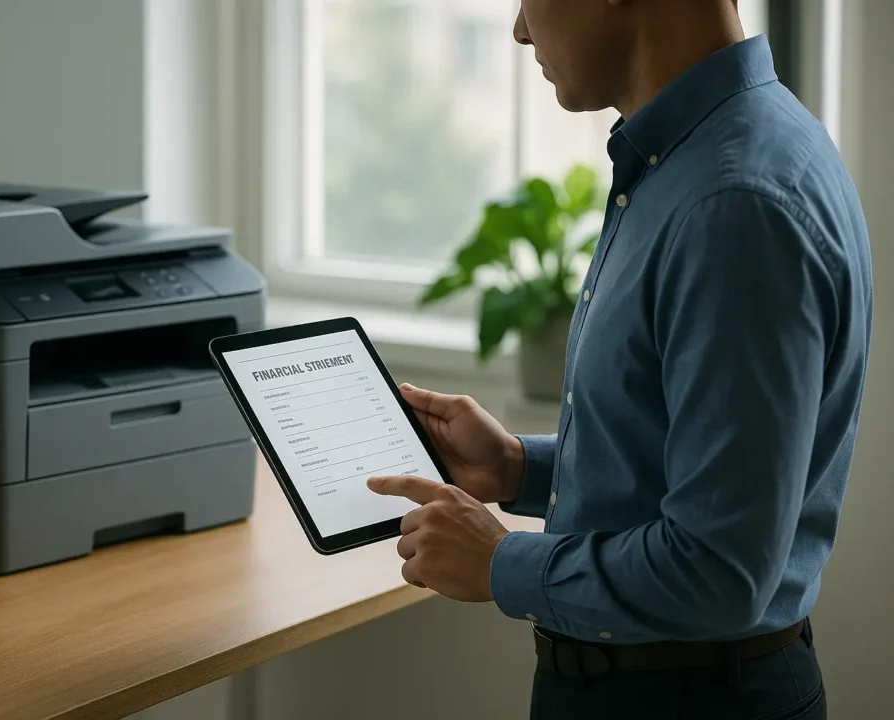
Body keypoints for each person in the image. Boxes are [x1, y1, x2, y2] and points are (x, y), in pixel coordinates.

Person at [365, 1, 873, 718]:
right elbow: (686, 464)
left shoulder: (733, 201)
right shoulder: (706, 156)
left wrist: (500, 562)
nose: (518, 28)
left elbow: (719, 571)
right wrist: (519, 467)